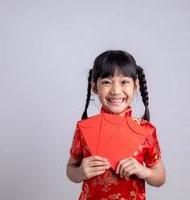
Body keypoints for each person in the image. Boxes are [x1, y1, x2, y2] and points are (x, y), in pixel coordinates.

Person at [66, 50, 166, 200]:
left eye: (124, 82)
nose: (116, 91)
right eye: (106, 82)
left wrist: (143, 171)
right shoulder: (84, 128)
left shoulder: (146, 130)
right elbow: (71, 169)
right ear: (94, 87)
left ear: (136, 85)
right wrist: (80, 172)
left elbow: (160, 177)